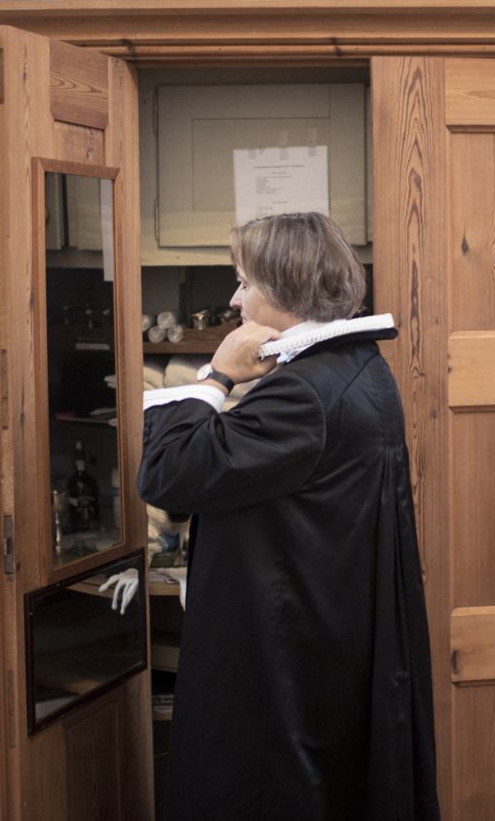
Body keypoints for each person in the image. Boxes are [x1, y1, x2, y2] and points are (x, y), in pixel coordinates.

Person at [138, 212, 440, 821]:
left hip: (284, 651)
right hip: (327, 631)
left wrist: (217, 374)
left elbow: (168, 473)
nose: (234, 298)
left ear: (282, 289)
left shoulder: (300, 393)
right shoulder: (359, 368)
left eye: (244, 282)